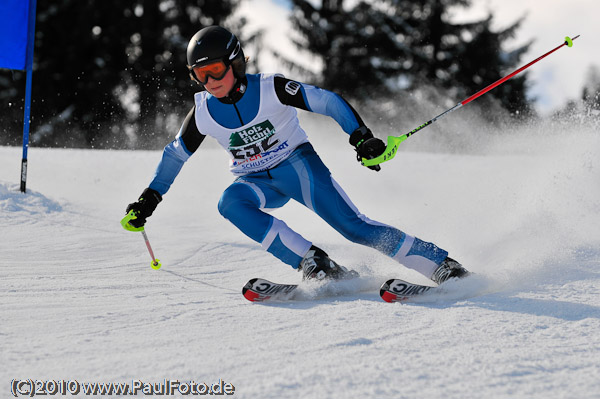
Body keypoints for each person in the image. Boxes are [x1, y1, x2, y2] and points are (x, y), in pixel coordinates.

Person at [122, 26, 469, 284]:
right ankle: (314, 262)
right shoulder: (203, 113)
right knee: (230, 203)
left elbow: (327, 101)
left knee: (353, 227)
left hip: (298, 167)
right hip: (255, 180)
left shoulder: (271, 88)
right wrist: (149, 198)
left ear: (236, 62)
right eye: (200, 74)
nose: (210, 81)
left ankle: (441, 265)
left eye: (215, 70)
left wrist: (360, 137)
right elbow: (175, 155)